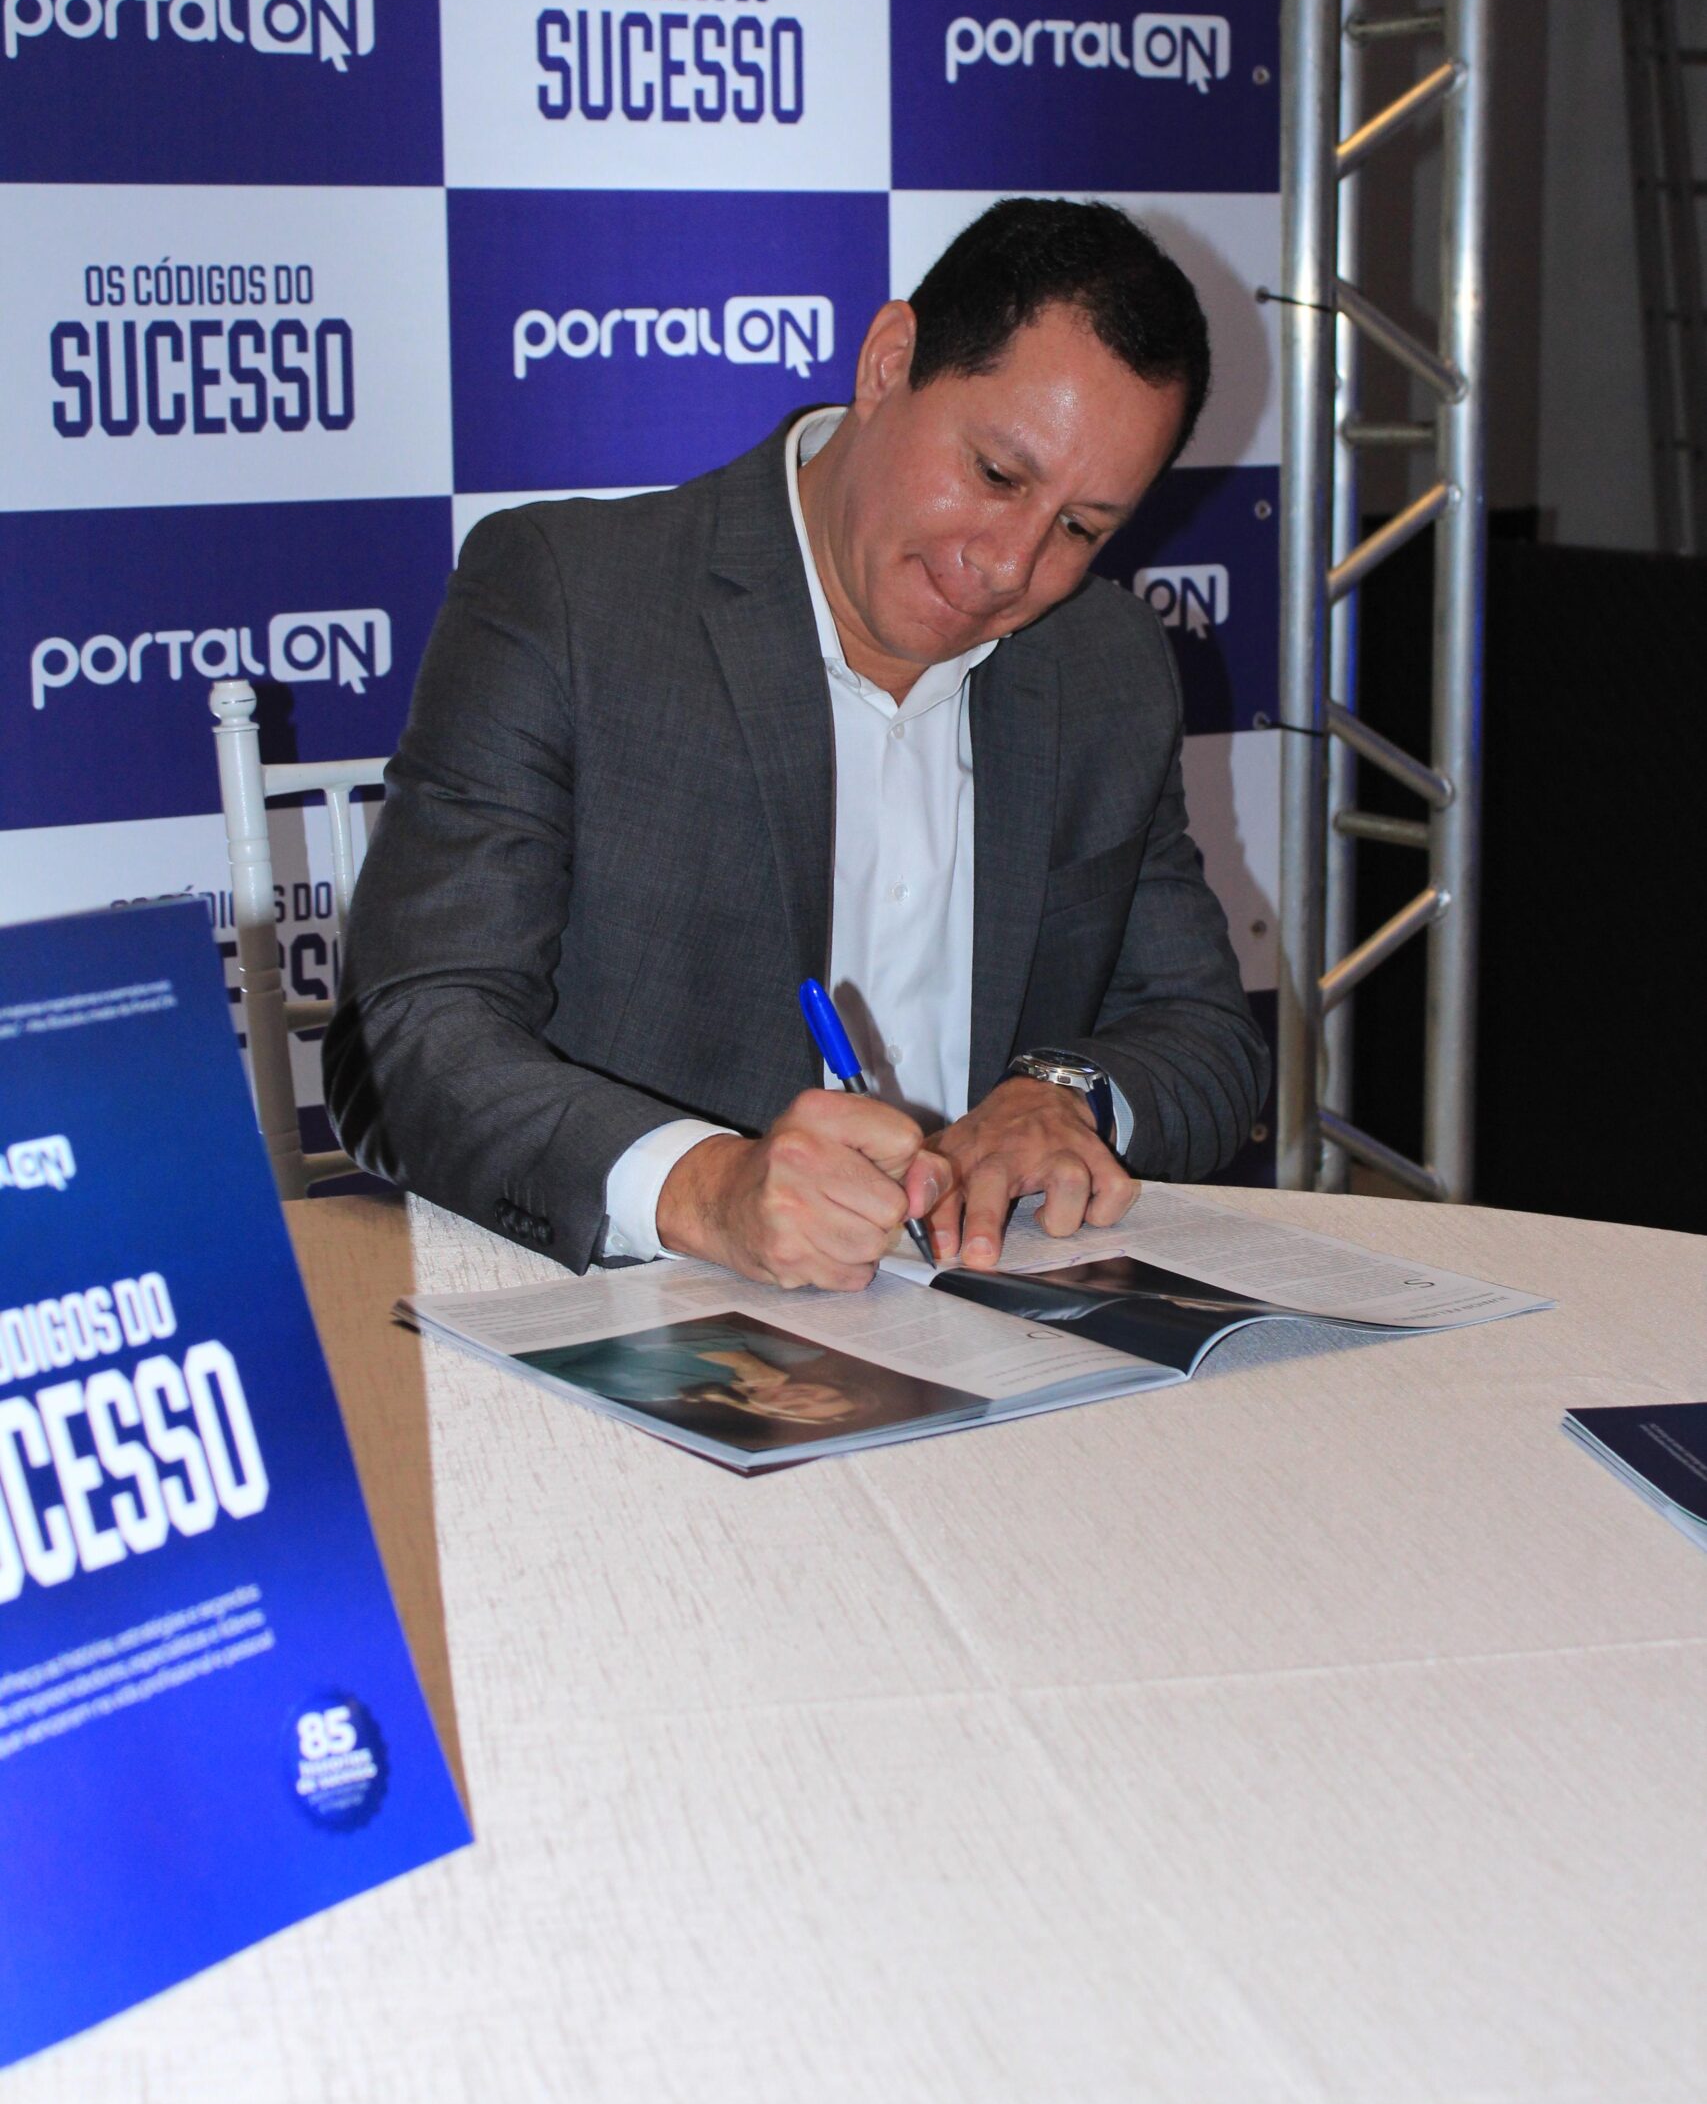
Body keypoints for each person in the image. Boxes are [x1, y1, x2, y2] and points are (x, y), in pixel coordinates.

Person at [325, 198, 1269, 1290]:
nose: (1010, 564)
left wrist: (1064, 1098)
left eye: (1079, 528)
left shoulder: (1105, 662)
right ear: (888, 362)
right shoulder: (572, 598)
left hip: (990, 1320)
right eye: (997, 476)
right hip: (642, 1317)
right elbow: (402, 1041)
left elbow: (1205, 1036)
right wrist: (702, 1189)